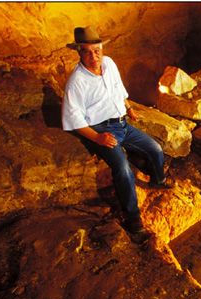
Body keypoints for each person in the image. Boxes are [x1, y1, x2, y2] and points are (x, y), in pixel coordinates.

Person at [62, 26, 172, 244]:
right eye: (87, 51)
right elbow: (74, 121)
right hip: (101, 129)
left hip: (122, 123)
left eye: (97, 50)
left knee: (155, 148)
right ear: (79, 52)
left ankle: (158, 180)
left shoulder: (109, 63)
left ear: (102, 49)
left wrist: (129, 108)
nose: (94, 56)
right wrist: (97, 138)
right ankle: (133, 220)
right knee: (123, 169)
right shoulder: (76, 82)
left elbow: (118, 90)